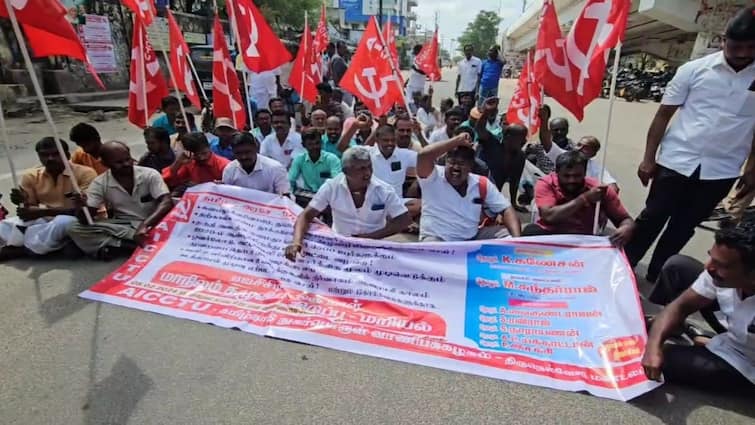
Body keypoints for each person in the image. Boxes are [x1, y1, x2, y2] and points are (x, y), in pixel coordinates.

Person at [625, 7, 755, 283]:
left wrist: (751, 169)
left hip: (722, 170)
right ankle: (626, 265)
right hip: (676, 161)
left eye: (750, 47)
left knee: (684, 226)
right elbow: (663, 115)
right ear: (723, 40)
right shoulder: (694, 70)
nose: (743, 53)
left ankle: (658, 274)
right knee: (652, 216)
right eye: (736, 46)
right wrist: (649, 158)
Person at [641, 222, 755, 391]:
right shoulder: (717, 272)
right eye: (711, 257)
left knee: (667, 361)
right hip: (738, 330)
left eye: (721, 265)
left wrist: (718, 348)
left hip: (746, 360)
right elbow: (680, 306)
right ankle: (674, 327)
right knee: (677, 266)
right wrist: (653, 347)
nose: (708, 267)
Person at [284, 146, 412, 261]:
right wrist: (297, 242)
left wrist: (371, 237)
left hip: (375, 249)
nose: (367, 172)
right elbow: (306, 216)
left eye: (369, 167)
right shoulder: (331, 187)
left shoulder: (384, 190)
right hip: (340, 247)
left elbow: (404, 219)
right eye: (361, 169)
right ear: (346, 171)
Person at [66, 141, 171, 260]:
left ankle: (114, 246)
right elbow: (86, 220)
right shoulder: (100, 183)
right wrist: (82, 206)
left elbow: (167, 202)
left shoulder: (149, 174)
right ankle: (128, 246)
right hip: (123, 226)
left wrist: (145, 225)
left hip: (152, 222)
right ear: (105, 163)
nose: (126, 164)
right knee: (73, 228)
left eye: (128, 159)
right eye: (119, 162)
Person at [0, 138, 97, 259]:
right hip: (47, 220)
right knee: (4, 225)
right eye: (45, 155)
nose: (50, 158)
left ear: (67, 155)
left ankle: (22, 250)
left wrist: (43, 212)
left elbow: (87, 213)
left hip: (78, 220)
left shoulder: (85, 173)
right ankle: (40, 245)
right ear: (39, 157)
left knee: (64, 222)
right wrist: (22, 202)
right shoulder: (31, 175)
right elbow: (29, 211)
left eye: (56, 154)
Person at [416, 132, 521, 242]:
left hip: (472, 238)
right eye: (452, 162)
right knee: (432, 248)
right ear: (446, 161)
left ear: (471, 166)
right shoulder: (432, 176)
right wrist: (456, 141)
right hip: (437, 239)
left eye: (461, 163)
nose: (455, 167)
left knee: (508, 234)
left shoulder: (481, 183)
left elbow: (506, 209)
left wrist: (518, 241)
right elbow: (423, 155)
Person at [522, 150, 634, 247]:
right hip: (549, 235)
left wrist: (626, 228)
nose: (572, 180)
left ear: (585, 173)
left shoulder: (599, 190)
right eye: (566, 176)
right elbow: (549, 216)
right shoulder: (546, 184)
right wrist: (585, 198)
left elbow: (625, 219)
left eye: (577, 176)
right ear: (556, 173)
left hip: (583, 239)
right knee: (529, 232)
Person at [221, 132, 290, 195]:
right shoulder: (230, 169)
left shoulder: (275, 168)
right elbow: (226, 197)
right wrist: (219, 189)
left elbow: (284, 197)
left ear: (256, 149)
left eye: (247, 152)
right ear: (233, 153)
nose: (243, 157)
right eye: (238, 153)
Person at [162, 132, 230, 189]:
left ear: (209, 147)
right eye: (196, 155)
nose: (201, 158)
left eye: (204, 153)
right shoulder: (189, 162)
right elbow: (170, 181)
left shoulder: (225, 165)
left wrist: (222, 186)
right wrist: (178, 162)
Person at [289, 128, 342, 198]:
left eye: (317, 143)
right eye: (310, 144)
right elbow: (290, 180)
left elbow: (337, 182)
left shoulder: (332, 159)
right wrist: (291, 194)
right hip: (307, 196)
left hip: (328, 197)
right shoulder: (299, 159)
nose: (314, 147)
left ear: (322, 142)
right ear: (303, 145)